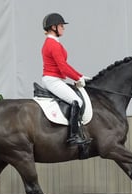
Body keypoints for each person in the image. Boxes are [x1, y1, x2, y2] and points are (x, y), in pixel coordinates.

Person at [41, 13, 91, 145]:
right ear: (53, 27)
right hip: (53, 80)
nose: (64, 28)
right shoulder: (53, 44)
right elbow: (63, 67)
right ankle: (73, 136)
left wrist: (79, 76)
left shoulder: (54, 43)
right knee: (77, 101)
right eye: (61, 25)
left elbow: (65, 65)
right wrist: (77, 78)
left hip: (54, 79)